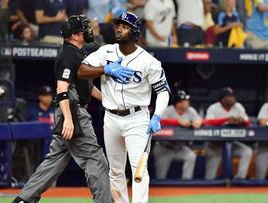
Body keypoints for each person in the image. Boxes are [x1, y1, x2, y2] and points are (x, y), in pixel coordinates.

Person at [12, 15, 133, 203]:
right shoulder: (68, 54)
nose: (88, 31)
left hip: (72, 109)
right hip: (72, 110)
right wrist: (68, 119)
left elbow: (89, 87)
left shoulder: (79, 52)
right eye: (84, 28)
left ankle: (23, 200)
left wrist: (111, 101)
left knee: (54, 161)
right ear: (75, 35)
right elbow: (62, 88)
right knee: (95, 159)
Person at [78, 12, 170, 203]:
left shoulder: (148, 61)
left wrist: (158, 116)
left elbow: (163, 91)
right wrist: (105, 69)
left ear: (135, 32)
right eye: (118, 25)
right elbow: (81, 71)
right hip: (111, 117)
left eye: (125, 26)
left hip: (137, 118)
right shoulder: (106, 52)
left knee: (138, 169)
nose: (119, 29)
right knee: (116, 170)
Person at [204, 87, 253, 180]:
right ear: (223, 99)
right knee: (209, 177)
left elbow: (247, 122)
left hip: (230, 143)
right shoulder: (214, 107)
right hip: (214, 144)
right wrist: (226, 119)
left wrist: (241, 121)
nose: (233, 98)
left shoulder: (238, 106)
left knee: (247, 151)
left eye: (233, 96)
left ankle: (240, 179)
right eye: (229, 96)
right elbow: (208, 122)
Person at [153, 90, 202, 180]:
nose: (188, 102)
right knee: (160, 178)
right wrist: (177, 122)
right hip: (163, 148)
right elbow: (158, 121)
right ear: (178, 103)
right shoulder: (167, 110)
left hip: (179, 148)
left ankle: (186, 183)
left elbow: (199, 120)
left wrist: (197, 122)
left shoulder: (190, 110)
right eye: (185, 100)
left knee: (191, 156)